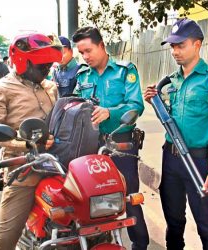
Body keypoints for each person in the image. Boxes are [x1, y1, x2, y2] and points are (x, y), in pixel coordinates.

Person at [144, 18, 208, 250]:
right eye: (172, 46)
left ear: (197, 44)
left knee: (206, 225)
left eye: (180, 45)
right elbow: (170, 117)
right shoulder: (171, 81)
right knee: (174, 222)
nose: (175, 51)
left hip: (199, 162)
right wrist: (154, 101)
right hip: (171, 159)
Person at [0, 33, 62, 250]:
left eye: (48, 64)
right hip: (24, 168)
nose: (46, 69)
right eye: (41, 65)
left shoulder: (50, 86)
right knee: (5, 241)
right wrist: (27, 144)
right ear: (21, 61)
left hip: (58, 165)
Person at [72, 26, 149, 250]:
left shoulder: (125, 71)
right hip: (91, 144)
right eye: (82, 53)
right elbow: (75, 103)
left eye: (88, 50)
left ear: (101, 46)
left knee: (128, 196)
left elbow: (136, 106)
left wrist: (110, 112)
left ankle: (139, 243)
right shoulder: (83, 74)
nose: (85, 56)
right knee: (94, 197)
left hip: (120, 144)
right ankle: (101, 241)